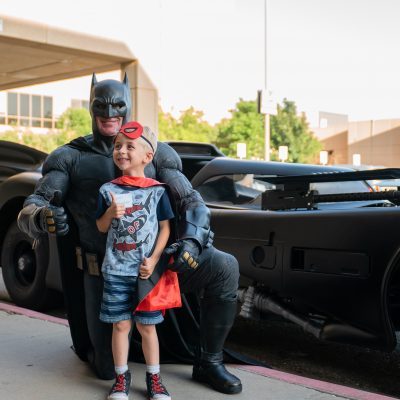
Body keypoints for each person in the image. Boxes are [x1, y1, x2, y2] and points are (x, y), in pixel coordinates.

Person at [17, 73, 242, 395]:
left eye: (117, 104)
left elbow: (192, 201)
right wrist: (42, 216)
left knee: (224, 267)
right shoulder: (70, 157)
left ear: (129, 105)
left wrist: (191, 239)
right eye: (101, 105)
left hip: (155, 264)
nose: (109, 112)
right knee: (104, 370)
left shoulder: (158, 153)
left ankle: (209, 361)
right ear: (91, 107)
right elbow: (33, 205)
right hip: (105, 271)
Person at [96, 121, 177, 400]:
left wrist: (154, 260)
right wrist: (110, 212)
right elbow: (101, 227)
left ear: (147, 156)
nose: (122, 151)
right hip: (116, 269)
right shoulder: (108, 190)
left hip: (145, 273)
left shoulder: (157, 191)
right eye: (118, 146)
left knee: (147, 326)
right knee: (120, 324)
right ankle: (121, 379)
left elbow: (166, 228)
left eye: (130, 146)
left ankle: (154, 379)